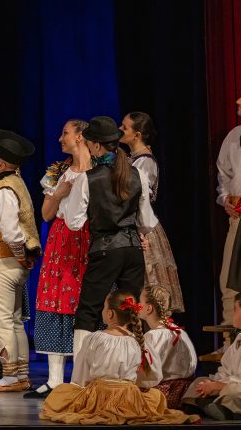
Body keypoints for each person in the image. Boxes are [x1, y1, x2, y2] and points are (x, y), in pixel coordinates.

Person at [66, 116, 156, 358]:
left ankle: (82, 372)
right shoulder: (137, 174)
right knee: (130, 308)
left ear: (95, 146)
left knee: (88, 310)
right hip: (133, 249)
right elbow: (146, 222)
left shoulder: (88, 178)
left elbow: (73, 222)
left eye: (88, 143)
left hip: (105, 249)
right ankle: (132, 365)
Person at [40, 290, 197, 425]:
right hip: (129, 397)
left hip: (99, 395)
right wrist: (136, 386)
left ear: (110, 313)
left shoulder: (95, 338)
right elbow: (153, 375)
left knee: (61, 394)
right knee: (154, 397)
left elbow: (81, 371)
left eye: (104, 307)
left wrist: (81, 389)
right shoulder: (139, 341)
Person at [27, 119, 90, 398]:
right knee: (55, 299)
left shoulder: (99, 170)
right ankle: (54, 379)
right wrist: (59, 193)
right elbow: (45, 214)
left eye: (65, 133)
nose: (60, 138)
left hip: (88, 238)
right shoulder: (58, 171)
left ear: (80, 137)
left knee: (82, 303)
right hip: (61, 239)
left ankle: (81, 378)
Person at [0, 129, 40, 393]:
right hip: (11, 262)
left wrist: (20, 254)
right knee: (14, 320)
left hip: (3, 261)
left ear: (2, 164)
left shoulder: (3, 188)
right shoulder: (16, 182)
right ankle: (21, 374)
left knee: (1, 321)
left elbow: (11, 231)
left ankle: (10, 376)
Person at [120, 112, 184, 312]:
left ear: (137, 135)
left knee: (147, 285)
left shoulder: (144, 161)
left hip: (142, 226)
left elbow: (138, 198)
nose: (120, 130)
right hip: (132, 224)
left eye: (124, 127)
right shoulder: (133, 159)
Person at [183, 292, 241, 420]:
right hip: (228, 384)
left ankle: (222, 410)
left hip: (239, 388)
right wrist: (212, 383)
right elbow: (225, 368)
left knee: (232, 393)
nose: (232, 313)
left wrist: (217, 386)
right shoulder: (239, 339)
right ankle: (211, 405)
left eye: (235, 309)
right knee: (199, 381)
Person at [137, 286, 197, 409]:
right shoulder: (179, 331)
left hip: (167, 392)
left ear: (149, 308)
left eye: (140, 301)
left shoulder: (153, 336)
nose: (137, 305)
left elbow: (148, 373)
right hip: (186, 390)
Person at [216, 88, 241, 327]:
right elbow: (223, 174)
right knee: (229, 278)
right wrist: (225, 197)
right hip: (238, 217)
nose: (238, 100)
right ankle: (231, 336)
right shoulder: (235, 135)